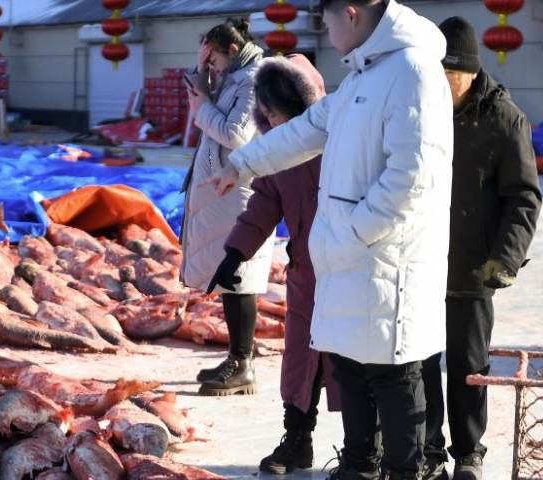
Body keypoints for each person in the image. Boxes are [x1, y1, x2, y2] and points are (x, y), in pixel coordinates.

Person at [201, 0, 453, 478]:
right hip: (346, 263)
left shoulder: (413, 71)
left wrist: (351, 233)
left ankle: (407, 471)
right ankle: (357, 465)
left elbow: (411, 180)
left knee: (391, 376)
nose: (326, 34)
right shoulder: (362, 74)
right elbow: (310, 128)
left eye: (326, 21)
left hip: (384, 262)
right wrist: (243, 163)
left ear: (350, 13)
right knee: (351, 369)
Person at [208, 53, 342, 475]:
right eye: (264, 115)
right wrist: (235, 253)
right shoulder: (274, 157)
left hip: (348, 274)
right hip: (305, 276)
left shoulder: (341, 142)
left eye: (276, 113)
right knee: (300, 363)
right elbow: (262, 206)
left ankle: (365, 450)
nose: (271, 122)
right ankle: (297, 441)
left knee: (352, 367)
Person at [420, 17, 542, 480]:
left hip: (473, 264)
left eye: (452, 75)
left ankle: (469, 452)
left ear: (471, 72)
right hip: (420, 261)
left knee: (468, 365)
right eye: (438, 74)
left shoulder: (504, 118)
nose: (444, 84)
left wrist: (505, 257)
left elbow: (523, 196)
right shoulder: (422, 110)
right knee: (419, 362)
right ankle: (428, 451)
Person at [181, 19, 273, 396]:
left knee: (241, 278)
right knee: (229, 278)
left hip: (240, 190)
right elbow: (208, 112)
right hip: (224, 190)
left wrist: (203, 106)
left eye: (214, 59)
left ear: (233, 51)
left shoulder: (253, 81)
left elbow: (236, 135)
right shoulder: (234, 78)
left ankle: (243, 363)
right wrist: (199, 71)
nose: (213, 67)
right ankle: (236, 357)